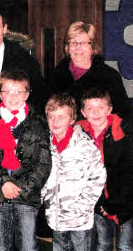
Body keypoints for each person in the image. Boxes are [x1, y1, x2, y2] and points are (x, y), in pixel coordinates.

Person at [0, 69, 52, 251]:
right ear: (0, 94)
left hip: (26, 196)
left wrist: (22, 188)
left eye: (19, 91)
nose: (14, 97)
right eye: (8, 91)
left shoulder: (38, 123)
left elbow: (43, 163)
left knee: (28, 246)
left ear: (27, 94)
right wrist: (4, 183)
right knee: (1, 245)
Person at [42, 93, 106, 251]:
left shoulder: (85, 145)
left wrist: (83, 206)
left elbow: (98, 177)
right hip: (55, 217)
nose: (55, 122)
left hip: (79, 220)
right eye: (51, 117)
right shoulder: (44, 145)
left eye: (61, 117)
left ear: (72, 120)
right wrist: (45, 199)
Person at [76, 87, 133, 251]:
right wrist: (99, 203)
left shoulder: (123, 131)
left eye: (101, 107)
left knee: (125, 245)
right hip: (98, 203)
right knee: (103, 243)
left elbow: (128, 172)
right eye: (90, 108)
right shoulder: (79, 134)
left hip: (125, 201)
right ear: (83, 112)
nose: (95, 112)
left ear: (110, 109)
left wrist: (116, 203)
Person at [49, 21, 131, 120]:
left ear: (92, 47)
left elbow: (123, 115)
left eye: (83, 43)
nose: (78, 47)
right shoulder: (56, 75)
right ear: (68, 47)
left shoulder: (109, 76)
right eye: (73, 43)